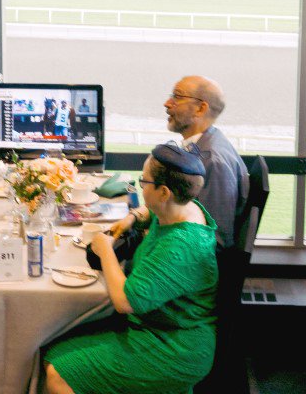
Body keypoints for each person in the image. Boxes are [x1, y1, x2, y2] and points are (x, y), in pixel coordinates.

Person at [44, 142, 218, 394]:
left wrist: (105, 251)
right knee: (53, 350)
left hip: (173, 348)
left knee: (58, 372)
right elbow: (150, 210)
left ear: (164, 192)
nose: (140, 186)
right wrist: (132, 217)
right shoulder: (183, 208)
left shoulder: (179, 247)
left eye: (143, 182)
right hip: (160, 328)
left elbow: (124, 301)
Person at [113, 76, 248, 248]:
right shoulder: (199, 147)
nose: (167, 103)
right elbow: (176, 204)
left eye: (177, 96)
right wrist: (135, 216)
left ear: (201, 108)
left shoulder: (213, 162)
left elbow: (215, 240)